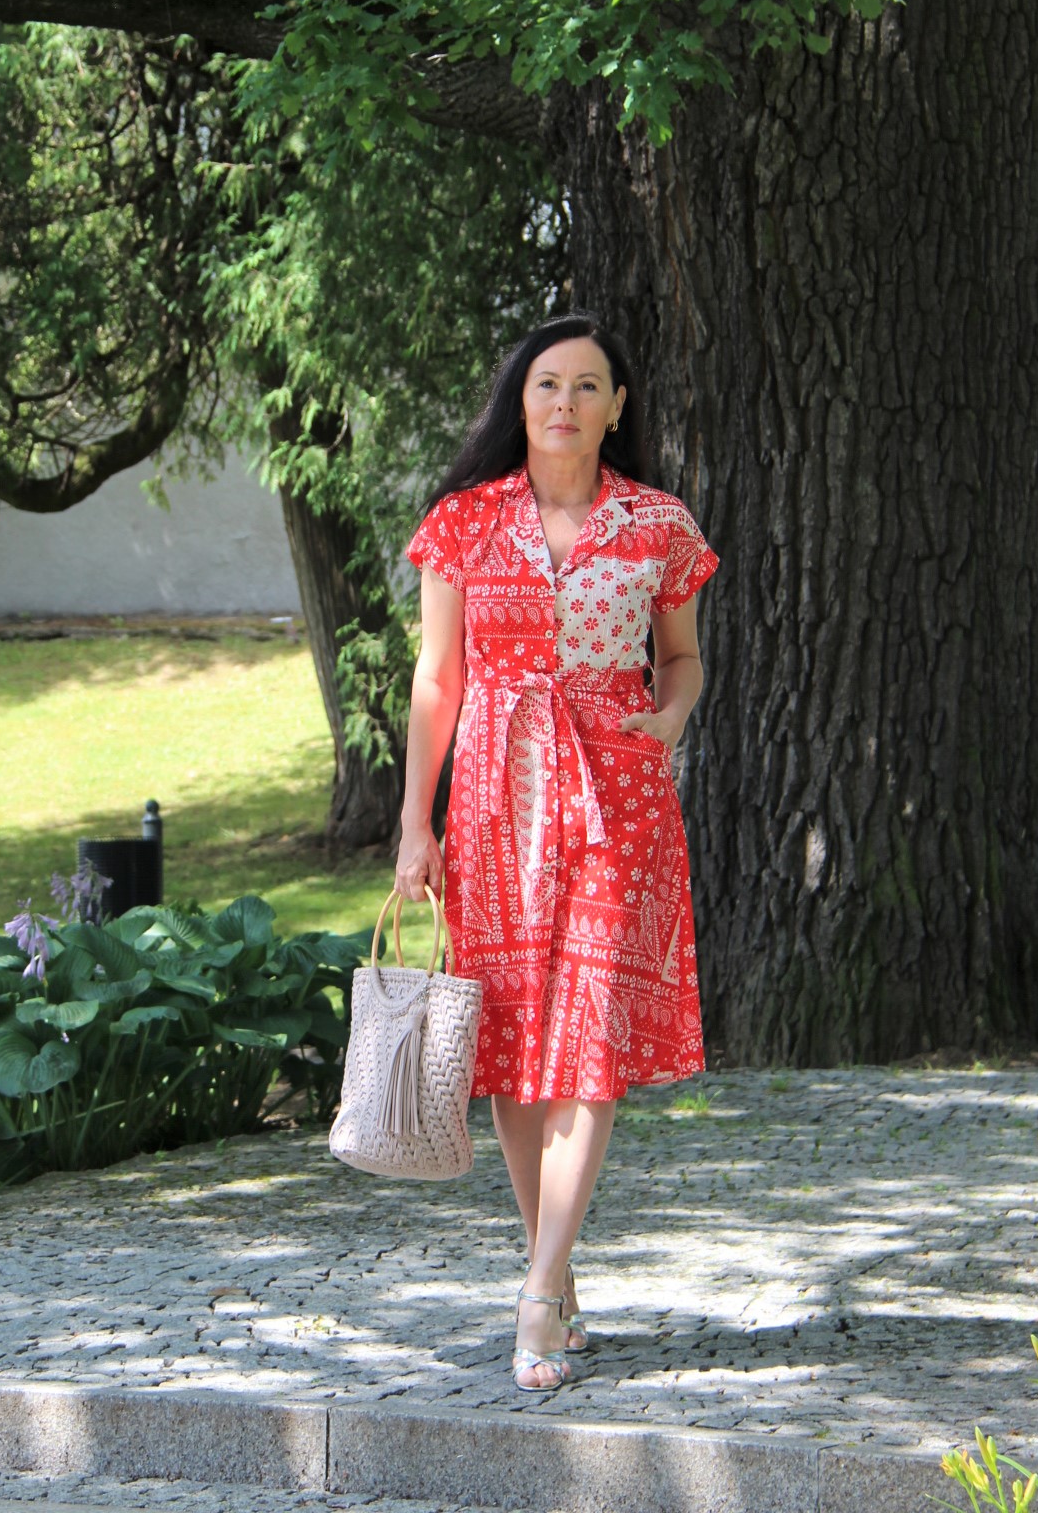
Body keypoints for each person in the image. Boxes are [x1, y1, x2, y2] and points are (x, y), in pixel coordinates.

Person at [395, 312, 717, 1393]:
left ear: (617, 406)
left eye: (586, 386)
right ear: (519, 401)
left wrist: (667, 719)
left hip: (617, 800)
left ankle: (536, 1290)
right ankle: (557, 1267)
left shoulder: (657, 523)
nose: (564, 403)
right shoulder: (463, 522)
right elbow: (437, 678)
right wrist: (416, 823)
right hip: (493, 799)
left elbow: (681, 658)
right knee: (513, 1044)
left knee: (588, 1039)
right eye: (546, 384)